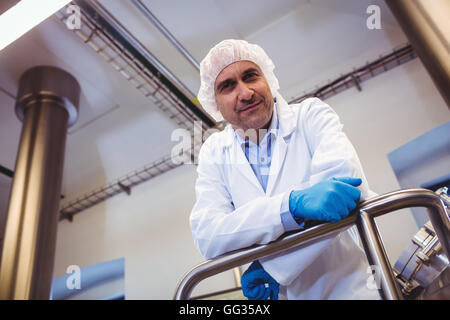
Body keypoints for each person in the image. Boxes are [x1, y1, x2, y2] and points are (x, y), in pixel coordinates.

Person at [190, 39, 380, 300]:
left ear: (268, 79)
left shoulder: (311, 116)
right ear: (216, 104)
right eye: (228, 86)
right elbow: (209, 235)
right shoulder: (214, 151)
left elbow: (344, 195)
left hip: (349, 289)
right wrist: (289, 207)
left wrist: (275, 268)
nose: (245, 93)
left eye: (250, 76)